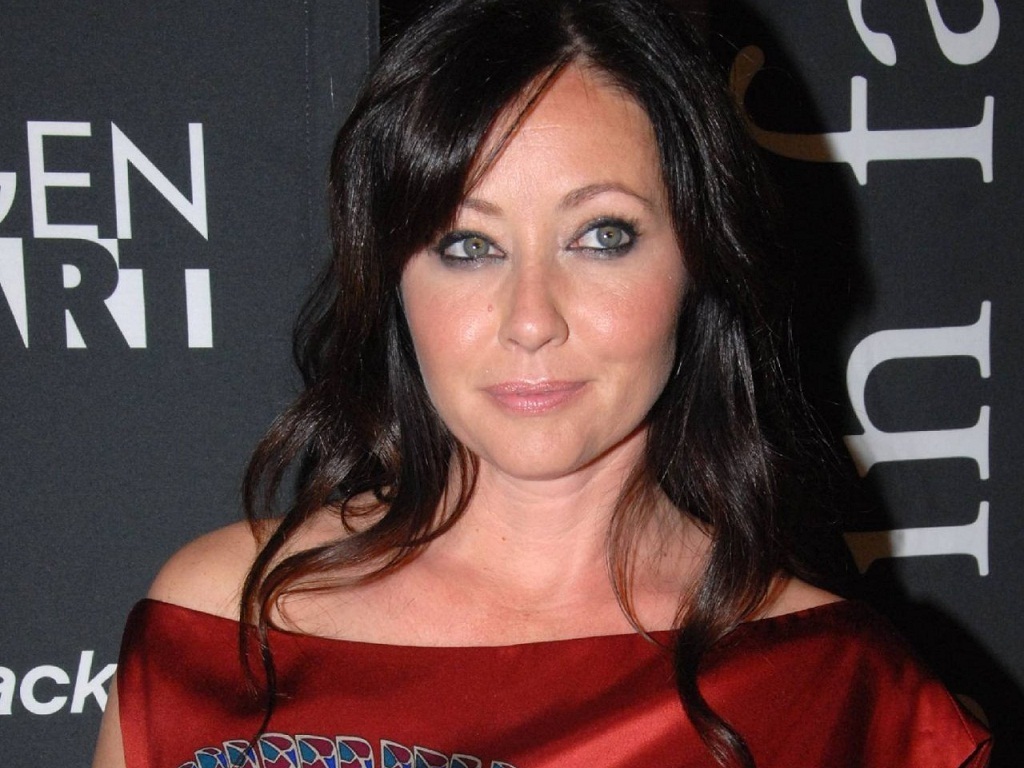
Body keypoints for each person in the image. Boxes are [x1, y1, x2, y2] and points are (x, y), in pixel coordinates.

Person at [92, 1, 991, 766]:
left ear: (699, 256)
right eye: (467, 244)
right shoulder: (218, 626)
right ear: (394, 276)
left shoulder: (840, 693)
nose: (531, 319)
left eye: (602, 237)